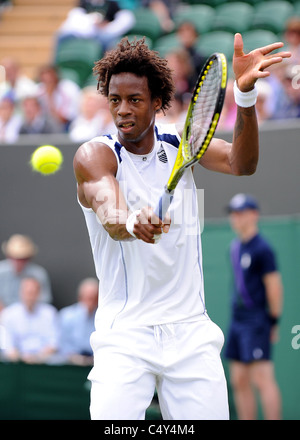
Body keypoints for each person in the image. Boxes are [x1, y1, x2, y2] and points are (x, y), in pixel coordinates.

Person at [73, 35, 290, 420]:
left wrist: (244, 97)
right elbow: (108, 209)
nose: (123, 110)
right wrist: (130, 220)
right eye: (115, 100)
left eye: (135, 100)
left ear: (158, 103)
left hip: (191, 334)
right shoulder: (94, 154)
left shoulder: (183, 142)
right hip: (125, 336)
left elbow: (243, 164)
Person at [224, 193, 283, 420]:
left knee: (262, 379)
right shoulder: (235, 247)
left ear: (254, 215)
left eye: (240, 213)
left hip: (257, 319)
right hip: (237, 320)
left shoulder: (263, 249)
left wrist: (273, 321)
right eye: (233, 214)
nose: (235, 218)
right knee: (238, 379)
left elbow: (274, 287)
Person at [0, 277, 58, 363]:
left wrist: (37, 358)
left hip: (44, 362)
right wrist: (18, 357)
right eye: (28, 293)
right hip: (17, 363)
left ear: (39, 294)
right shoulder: (9, 314)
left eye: (33, 293)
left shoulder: (50, 313)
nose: (30, 297)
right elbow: (7, 344)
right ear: (21, 293)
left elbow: (54, 343)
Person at [0, 234, 53, 310]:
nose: (18, 262)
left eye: (22, 258)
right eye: (15, 258)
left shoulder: (39, 274)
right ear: (8, 256)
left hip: (30, 315)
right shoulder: (1, 271)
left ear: (29, 258)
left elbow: (46, 300)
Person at [58, 277, 99, 365]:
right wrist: (74, 357)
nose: (90, 303)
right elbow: (62, 344)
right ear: (80, 297)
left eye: (94, 298)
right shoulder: (67, 316)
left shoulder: (102, 318)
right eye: (88, 298)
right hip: (70, 364)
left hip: (95, 363)